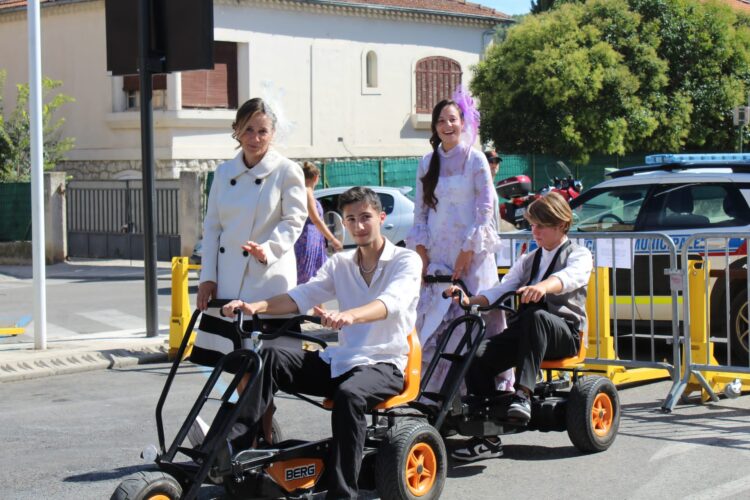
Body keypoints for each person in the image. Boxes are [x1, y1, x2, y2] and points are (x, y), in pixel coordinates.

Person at [221, 186, 422, 499]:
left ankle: (342, 493)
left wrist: (350, 315)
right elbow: (303, 296)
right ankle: (233, 449)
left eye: (365, 217)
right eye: (351, 219)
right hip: (341, 360)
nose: (358, 226)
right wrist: (254, 306)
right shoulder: (341, 263)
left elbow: (392, 302)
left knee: (349, 396)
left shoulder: (405, 260)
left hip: (384, 363)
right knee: (268, 355)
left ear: (381, 218)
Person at [448, 192, 593, 462]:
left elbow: (569, 278)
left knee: (536, 316)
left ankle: (523, 394)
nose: (534, 232)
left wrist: (542, 287)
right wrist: (469, 300)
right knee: (476, 357)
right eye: (532, 225)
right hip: (527, 334)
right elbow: (502, 289)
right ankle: (487, 437)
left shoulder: (579, 254)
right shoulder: (529, 259)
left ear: (562, 225)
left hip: (564, 334)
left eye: (541, 226)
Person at [407, 96, 514, 400]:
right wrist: (421, 253)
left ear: (463, 123)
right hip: (438, 257)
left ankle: (483, 392)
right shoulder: (427, 162)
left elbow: (485, 209)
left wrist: (468, 250)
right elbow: (420, 212)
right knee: (436, 323)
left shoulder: (475, 159)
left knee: (475, 316)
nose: (447, 125)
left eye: (452, 119)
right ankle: (437, 396)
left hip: (473, 257)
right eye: (441, 121)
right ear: (434, 127)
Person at [191, 97, 308, 367]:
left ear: (273, 133)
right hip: (228, 281)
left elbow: (294, 220)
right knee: (234, 362)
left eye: (262, 131)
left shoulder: (287, 170)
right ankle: (251, 398)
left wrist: (268, 250)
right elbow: (212, 227)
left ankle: (259, 398)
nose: (255, 138)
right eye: (248, 130)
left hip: (267, 280)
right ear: (237, 130)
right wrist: (208, 277)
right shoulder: (223, 172)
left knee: (267, 364)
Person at [295, 161, 343, 285]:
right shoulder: (307, 192)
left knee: (317, 277)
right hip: (308, 240)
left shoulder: (303, 192)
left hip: (313, 240)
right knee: (308, 278)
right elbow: (316, 219)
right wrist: (333, 239)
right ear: (316, 177)